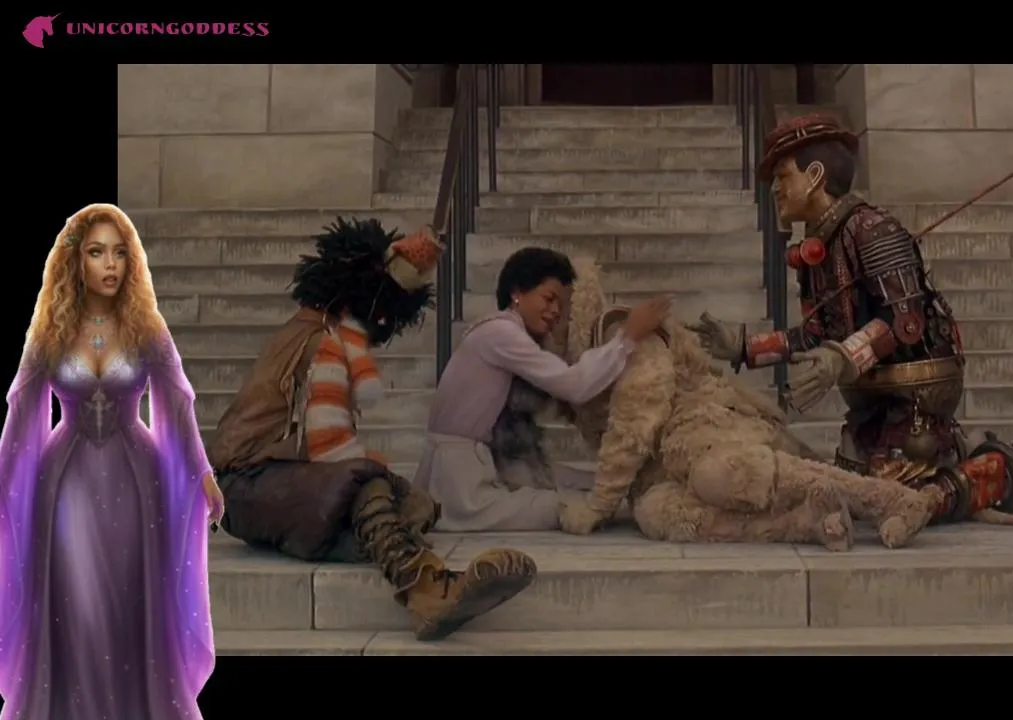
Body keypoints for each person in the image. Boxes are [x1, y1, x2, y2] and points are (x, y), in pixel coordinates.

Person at [688, 114, 1013, 537]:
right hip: (869, 397)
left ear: (815, 176)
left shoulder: (873, 231)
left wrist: (840, 359)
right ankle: (956, 457)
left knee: (892, 487)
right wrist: (745, 346)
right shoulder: (818, 248)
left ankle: (996, 469)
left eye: (783, 176)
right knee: (854, 482)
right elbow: (819, 333)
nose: (775, 188)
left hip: (917, 391)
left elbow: (905, 322)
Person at [207, 218, 538, 642]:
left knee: (416, 503)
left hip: (263, 489)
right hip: (243, 485)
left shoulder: (320, 331)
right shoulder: (318, 343)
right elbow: (324, 450)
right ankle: (426, 588)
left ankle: (378, 551)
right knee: (366, 481)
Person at [542, 257, 936, 549]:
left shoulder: (615, 329)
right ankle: (805, 520)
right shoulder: (578, 365)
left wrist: (600, 504)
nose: (548, 318)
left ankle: (892, 500)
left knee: (718, 472)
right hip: (664, 469)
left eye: (553, 303)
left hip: (708, 426)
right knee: (657, 512)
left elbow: (637, 417)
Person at [0, 203, 218, 718]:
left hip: (139, 484)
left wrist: (203, 473)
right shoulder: (49, 330)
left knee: (130, 600)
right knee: (76, 602)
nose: (110, 264)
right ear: (76, 261)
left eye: (119, 253)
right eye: (97, 253)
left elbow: (178, 404)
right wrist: (4, 477)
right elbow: (21, 409)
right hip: (66, 484)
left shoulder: (147, 328)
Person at [414, 247, 671, 531]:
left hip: (473, 463)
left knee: (583, 481)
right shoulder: (500, 333)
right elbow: (574, 385)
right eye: (549, 299)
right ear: (517, 293)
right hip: (461, 484)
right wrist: (628, 336)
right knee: (566, 503)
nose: (556, 311)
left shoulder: (500, 332)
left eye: (561, 304)